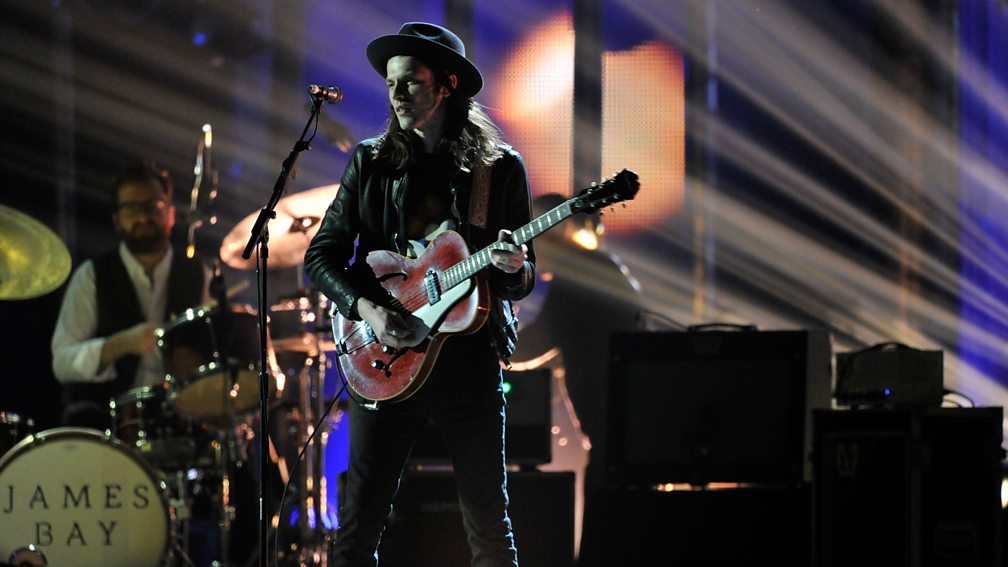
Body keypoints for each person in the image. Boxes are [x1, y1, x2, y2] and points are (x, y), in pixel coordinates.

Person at [304, 22, 534, 567]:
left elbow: (518, 280)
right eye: (391, 84)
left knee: (489, 529)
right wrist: (367, 311)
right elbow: (321, 256)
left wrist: (514, 265)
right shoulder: (371, 161)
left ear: (447, 85)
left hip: (467, 359)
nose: (397, 95)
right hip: (385, 355)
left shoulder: (498, 168)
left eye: (410, 82)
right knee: (356, 530)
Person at [50, 162, 209, 429]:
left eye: (152, 206)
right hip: (109, 425)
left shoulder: (197, 272)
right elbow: (62, 363)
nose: (142, 217)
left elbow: (215, 353)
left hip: (184, 421)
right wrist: (120, 344)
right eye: (130, 209)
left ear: (170, 213)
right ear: (116, 220)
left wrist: (196, 360)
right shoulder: (91, 275)